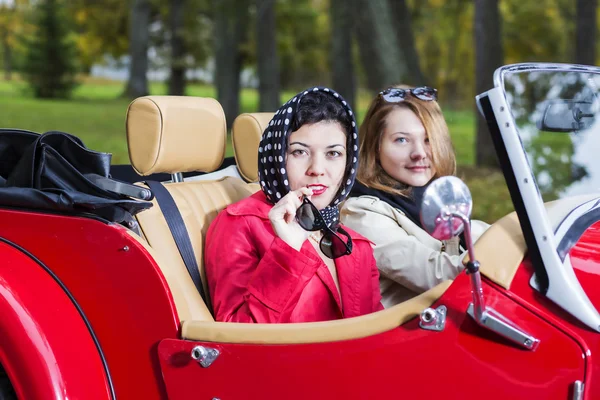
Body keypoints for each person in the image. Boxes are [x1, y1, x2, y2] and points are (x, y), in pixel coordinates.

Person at [205, 87, 383, 323]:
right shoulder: (240, 224)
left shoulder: (355, 245)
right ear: (277, 157)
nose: (317, 169)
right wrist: (287, 251)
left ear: (348, 162)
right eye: (299, 152)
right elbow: (236, 339)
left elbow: (378, 335)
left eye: (333, 154)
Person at [341, 85, 489, 308]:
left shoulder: (433, 198)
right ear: (375, 146)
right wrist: (504, 252)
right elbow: (439, 274)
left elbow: (469, 234)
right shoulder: (360, 214)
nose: (419, 152)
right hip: (402, 337)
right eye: (402, 140)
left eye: (428, 139)